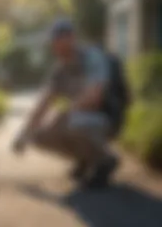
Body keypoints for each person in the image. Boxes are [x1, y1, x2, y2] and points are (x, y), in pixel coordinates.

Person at [14, 19, 119, 189]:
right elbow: (44, 103)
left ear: (71, 38)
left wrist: (64, 114)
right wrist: (25, 133)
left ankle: (106, 161)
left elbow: (95, 97)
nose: (55, 46)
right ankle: (86, 157)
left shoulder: (92, 57)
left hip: (106, 116)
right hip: (81, 117)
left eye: (59, 40)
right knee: (39, 135)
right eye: (53, 42)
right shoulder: (60, 69)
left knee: (73, 122)